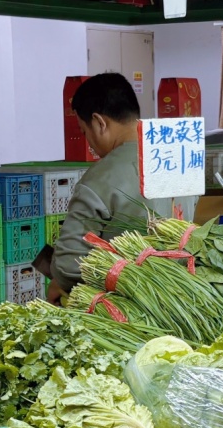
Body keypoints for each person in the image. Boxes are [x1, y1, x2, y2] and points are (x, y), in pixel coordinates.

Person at [48, 73, 170, 300]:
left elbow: (69, 265)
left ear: (99, 122)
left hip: (127, 302)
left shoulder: (100, 177)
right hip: (181, 292)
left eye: (85, 132)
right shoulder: (174, 158)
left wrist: (60, 282)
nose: (88, 141)